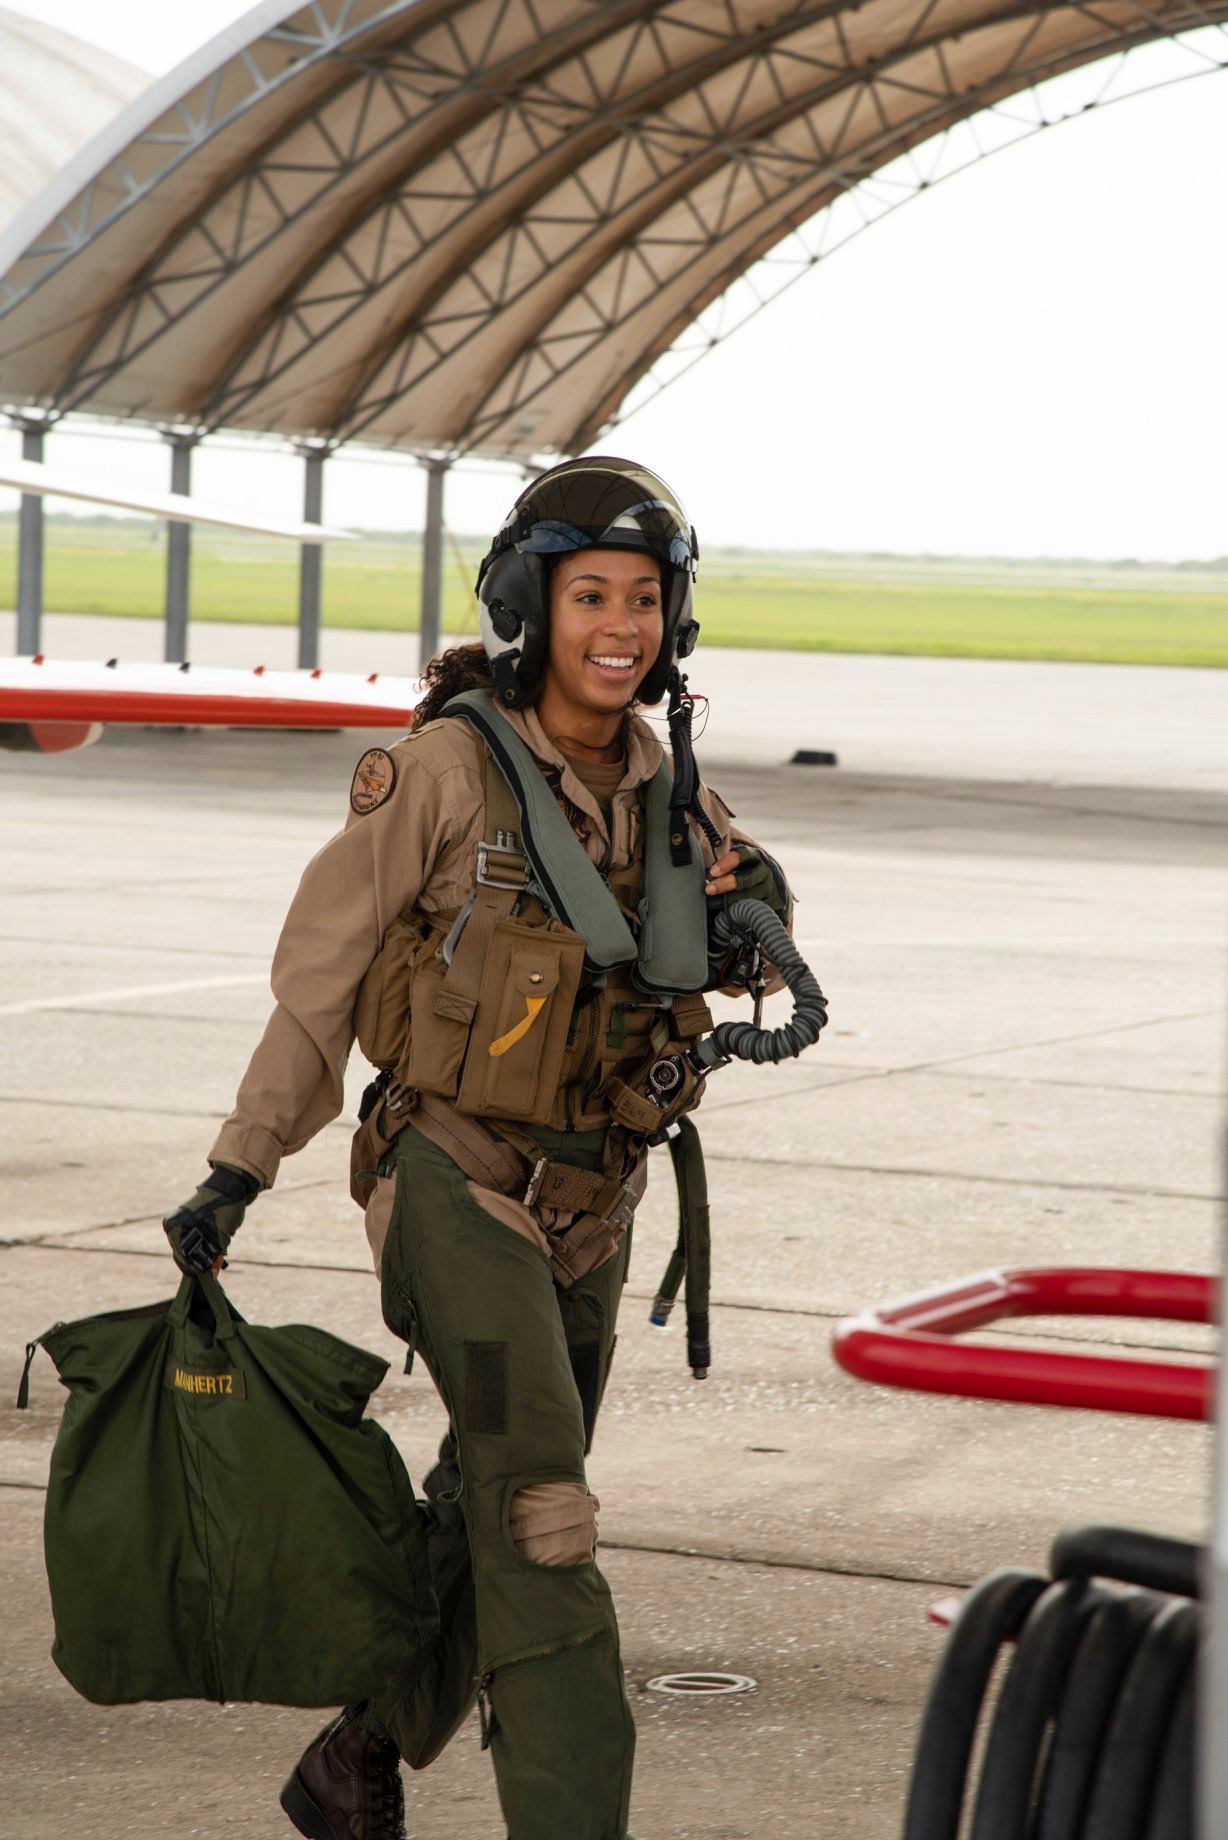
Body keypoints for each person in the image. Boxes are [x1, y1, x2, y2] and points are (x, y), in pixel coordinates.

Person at [163, 458, 794, 1840]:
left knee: (487, 1491)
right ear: (532, 604)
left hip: (598, 1198)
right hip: (456, 1185)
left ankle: (362, 1750)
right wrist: (240, 1165)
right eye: (588, 597)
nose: (618, 625)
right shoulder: (444, 771)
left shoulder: (663, 778)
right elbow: (320, 980)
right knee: (545, 1515)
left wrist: (759, 906)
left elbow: (750, 917)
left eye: (643, 597)